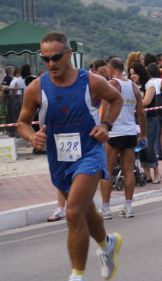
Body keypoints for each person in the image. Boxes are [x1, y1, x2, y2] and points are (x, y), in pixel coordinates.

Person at [17, 31, 123, 281]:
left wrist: (106, 125)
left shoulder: (91, 81)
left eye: (55, 57)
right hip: (59, 159)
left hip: (89, 152)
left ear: (68, 54)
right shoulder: (36, 88)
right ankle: (107, 244)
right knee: (86, 211)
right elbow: (22, 122)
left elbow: (116, 99)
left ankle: (77, 276)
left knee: (73, 212)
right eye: (45, 59)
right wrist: (32, 136)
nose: (51, 64)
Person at [99, 58, 147, 220]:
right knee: (128, 171)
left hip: (114, 132)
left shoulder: (111, 84)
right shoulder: (133, 86)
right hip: (130, 132)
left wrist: (102, 127)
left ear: (111, 69)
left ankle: (106, 209)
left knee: (106, 171)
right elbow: (141, 113)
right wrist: (143, 134)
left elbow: (104, 110)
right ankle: (128, 207)